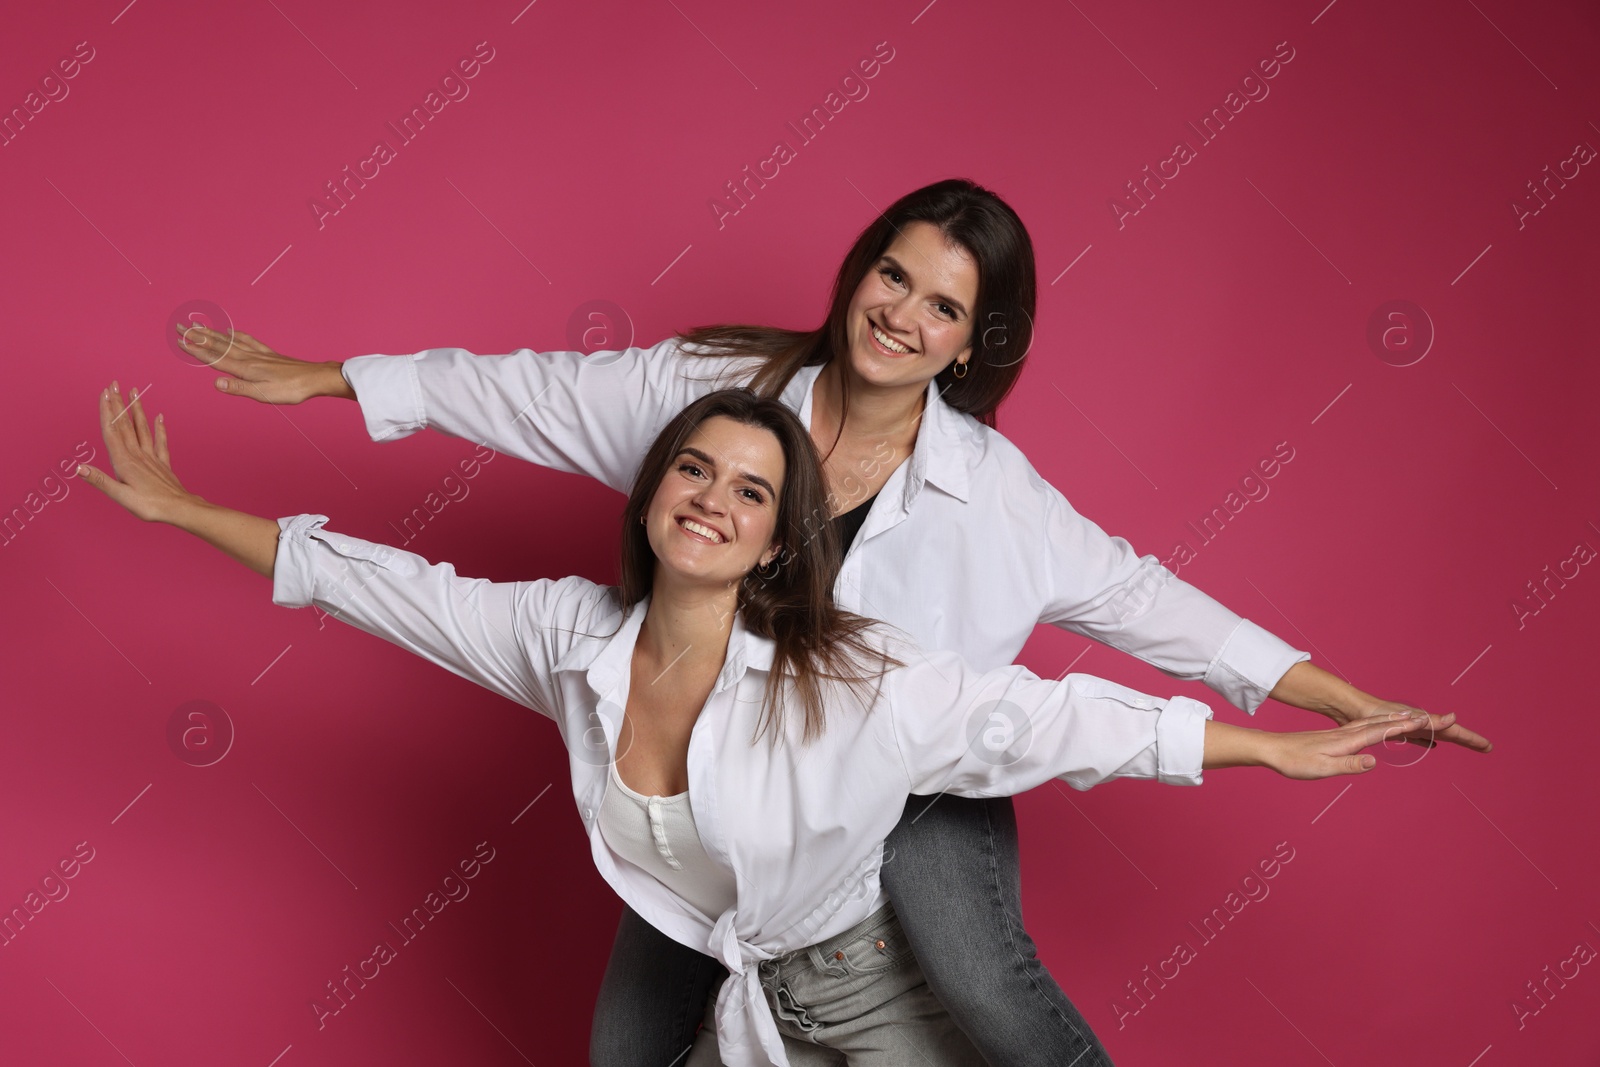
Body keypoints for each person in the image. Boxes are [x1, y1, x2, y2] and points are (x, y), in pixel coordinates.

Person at [173, 178, 1492, 1065]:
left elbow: (1143, 602)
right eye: (893, 274)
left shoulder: (997, 494)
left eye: (945, 305)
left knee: (979, 988)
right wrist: (340, 382)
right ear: (857, 269)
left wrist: (1316, 695)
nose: (903, 314)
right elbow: (537, 395)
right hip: (731, 786)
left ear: (975, 343)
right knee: (630, 1040)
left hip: (927, 764)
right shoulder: (720, 396)